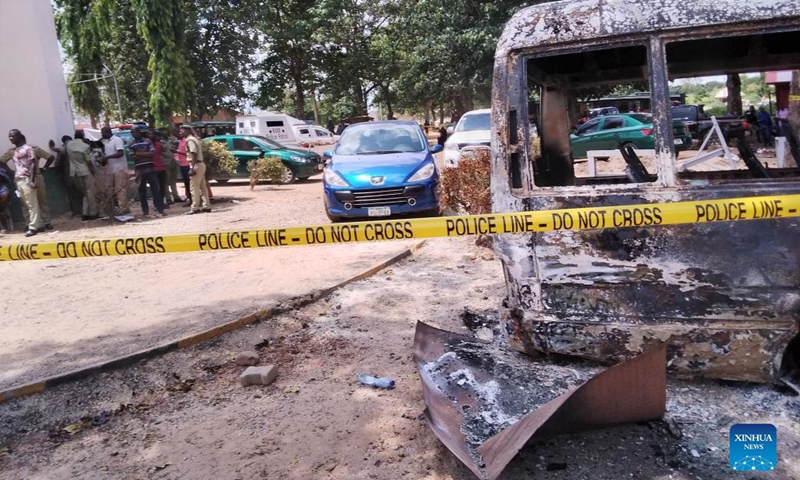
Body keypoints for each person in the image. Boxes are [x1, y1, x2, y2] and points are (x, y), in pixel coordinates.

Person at [1, 130, 55, 232]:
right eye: (9, 137)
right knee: (25, 203)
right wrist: (12, 171)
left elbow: (50, 157)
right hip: (20, 178)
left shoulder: (32, 149)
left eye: (13, 136)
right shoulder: (12, 150)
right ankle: (29, 222)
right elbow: (2, 161)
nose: (11, 139)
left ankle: (46, 221)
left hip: (36, 176)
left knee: (41, 200)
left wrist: (44, 168)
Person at [50, 131, 98, 220]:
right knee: (90, 192)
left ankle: (85, 213)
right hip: (85, 171)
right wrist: (94, 173)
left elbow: (60, 150)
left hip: (74, 172)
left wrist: (52, 148)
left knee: (84, 193)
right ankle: (93, 213)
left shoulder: (68, 145)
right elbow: (88, 162)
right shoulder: (85, 146)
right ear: (83, 137)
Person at [129, 127, 165, 218]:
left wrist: (139, 154)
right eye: (132, 132)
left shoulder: (147, 141)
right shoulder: (131, 144)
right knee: (142, 191)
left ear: (139, 132)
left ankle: (160, 209)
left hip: (150, 168)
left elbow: (152, 153)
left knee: (155, 189)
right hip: (139, 170)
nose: (134, 134)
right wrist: (145, 154)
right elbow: (133, 157)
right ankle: (145, 211)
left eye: (135, 132)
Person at [99, 126, 130, 214]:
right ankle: (119, 207)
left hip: (119, 168)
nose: (102, 135)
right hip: (112, 169)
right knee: (113, 190)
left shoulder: (116, 140)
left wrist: (107, 157)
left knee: (120, 189)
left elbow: (120, 152)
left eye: (102, 133)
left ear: (106, 132)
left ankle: (123, 208)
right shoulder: (107, 142)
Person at [182, 125, 211, 215]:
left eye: (181, 131)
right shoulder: (195, 139)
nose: (180, 133)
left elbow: (193, 153)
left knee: (194, 187)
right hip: (201, 164)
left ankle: (195, 207)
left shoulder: (190, 140)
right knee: (203, 187)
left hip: (196, 164)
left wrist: (192, 168)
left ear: (187, 131)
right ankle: (206, 206)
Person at [156, 130, 182, 204]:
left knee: (173, 181)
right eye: (164, 132)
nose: (166, 133)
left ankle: (176, 196)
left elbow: (178, 143)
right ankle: (168, 198)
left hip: (173, 161)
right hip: (165, 162)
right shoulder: (160, 142)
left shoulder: (171, 139)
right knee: (166, 182)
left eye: (166, 132)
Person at [150, 130, 169, 209]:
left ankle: (161, 202)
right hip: (153, 168)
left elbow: (162, 154)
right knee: (155, 187)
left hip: (161, 167)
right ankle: (156, 204)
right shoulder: (148, 145)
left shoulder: (159, 145)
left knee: (162, 187)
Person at [174, 127, 192, 206]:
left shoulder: (187, 141)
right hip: (182, 164)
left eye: (178, 133)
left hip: (187, 164)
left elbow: (189, 153)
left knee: (189, 184)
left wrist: (177, 152)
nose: (177, 135)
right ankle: (189, 198)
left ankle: (192, 200)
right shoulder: (180, 141)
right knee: (186, 183)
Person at [0, 164, 11, 234]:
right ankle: (2, 228)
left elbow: (5, 178)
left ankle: (1, 210)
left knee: (5, 195)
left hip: (1, 185)